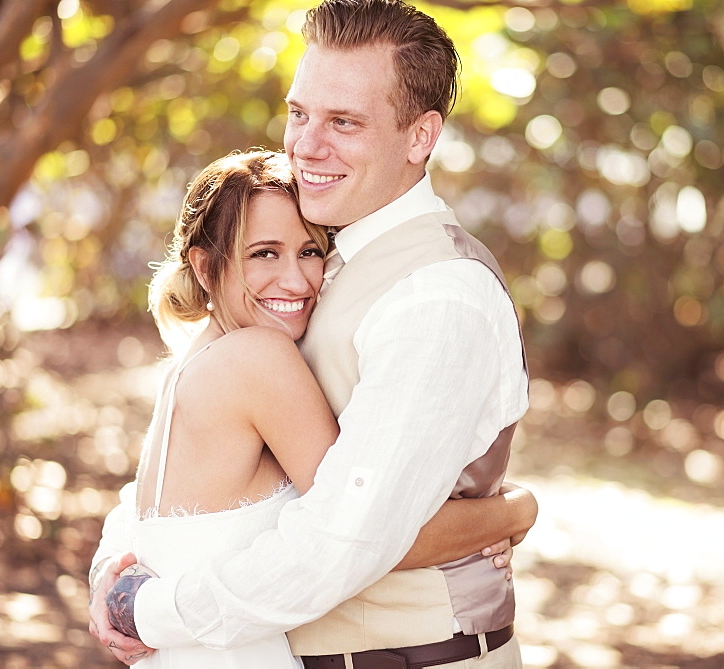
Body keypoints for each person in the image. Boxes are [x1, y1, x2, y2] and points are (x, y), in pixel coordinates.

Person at [95, 0, 533, 666]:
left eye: (344, 122)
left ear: (420, 137)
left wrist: (151, 610)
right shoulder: (306, 266)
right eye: (299, 113)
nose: (305, 145)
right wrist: (115, 574)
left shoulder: (438, 295)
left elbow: (351, 535)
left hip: (416, 654)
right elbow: (179, 478)